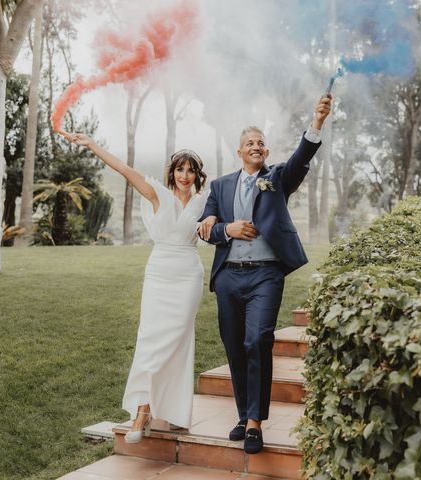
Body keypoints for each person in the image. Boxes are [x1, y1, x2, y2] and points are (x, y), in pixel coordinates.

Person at [197, 94, 332, 454]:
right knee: (235, 348)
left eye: (260, 143)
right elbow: (206, 228)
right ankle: (244, 415)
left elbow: (302, 159)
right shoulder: (220, 186)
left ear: (266, 153)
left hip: (265, 277)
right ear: (239, 152)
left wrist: (316, 122)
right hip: (228, 277)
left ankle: (256, 423)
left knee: (257, 341)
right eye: (249, 143)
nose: (256, 146)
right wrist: (228, 229)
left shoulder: (277, 178)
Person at [62, 132, 214, 443]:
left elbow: (218, 224)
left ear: (198, 175)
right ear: (171, 172)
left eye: (191, 170)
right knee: (151, 341)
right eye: (180, 169)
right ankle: (143, 411)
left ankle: (173, 412)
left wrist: (213, 218)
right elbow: (123, 169)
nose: (185, 176)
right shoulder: (157, 192)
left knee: (178, 341)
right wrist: (92, 145)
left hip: (188, 276)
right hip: (159, 274)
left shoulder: (204, 201)